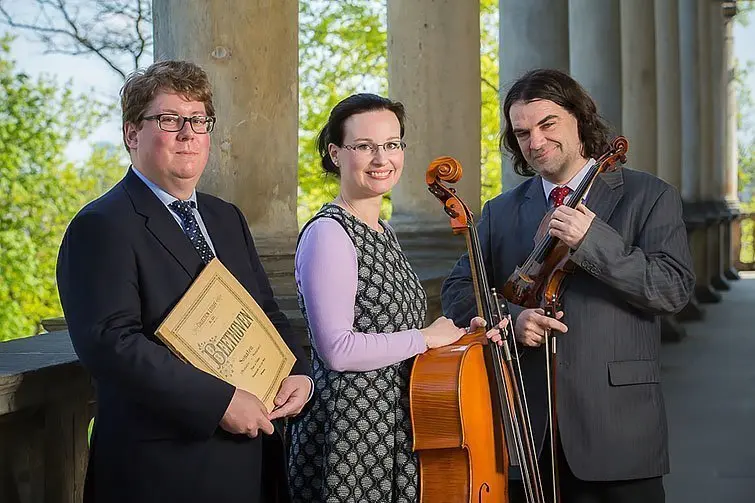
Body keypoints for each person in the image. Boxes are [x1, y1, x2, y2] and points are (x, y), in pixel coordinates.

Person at [56, 60, 312, 503]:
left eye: (198, 120)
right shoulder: (101, 224)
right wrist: (219, 403)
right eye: (169, 119)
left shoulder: (225, 217)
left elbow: (264, 312)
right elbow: (111, 344)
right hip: (163, 469)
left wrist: (297, 372)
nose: (188, 133)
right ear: (132, 134)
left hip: (251, 459)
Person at [441, 69, 695, 503]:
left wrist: (592, 240)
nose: (535, 141)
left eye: (547, 124)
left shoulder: (648, 195)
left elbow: (670, 289)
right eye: (522, 133)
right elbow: (460, 290)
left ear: (579, 118)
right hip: (527, 428)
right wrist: (512, 318)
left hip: (618, 425)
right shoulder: (501, 210)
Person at [286, 93, 506, 503]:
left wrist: (457, 339)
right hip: (349, 434)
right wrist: (426, 338)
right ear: (336, 154)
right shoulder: (329, 233)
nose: (381, 158)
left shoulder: (383, 231)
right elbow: (338, 350)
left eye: (391, 144)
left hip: (395, 425)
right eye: (364, 146)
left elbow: (394, 331)